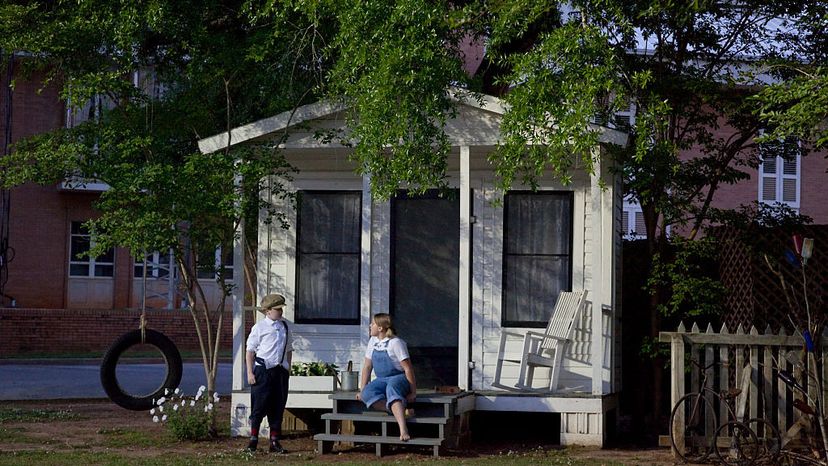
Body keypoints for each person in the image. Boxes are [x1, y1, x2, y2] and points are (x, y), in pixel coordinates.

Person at [355, 312, 417, 441]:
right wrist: (362, 389)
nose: (370, 326)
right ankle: (402, 411)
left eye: (372, 324)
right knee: (367, 393)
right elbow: (367, 367)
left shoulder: (396, 343)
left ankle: (403, 429)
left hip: (399, 377)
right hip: (382, 379)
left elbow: (408, 368)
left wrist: (413, 392)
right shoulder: (372, 341)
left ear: (380, 328)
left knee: (391, 388)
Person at [245, 293, 294, 453]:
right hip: (263, 370)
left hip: (279, 371)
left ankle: (274, 441)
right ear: (267, 311)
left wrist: (288, 367)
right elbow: (250, 351)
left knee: (278, 405)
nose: (280, 312)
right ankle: (253, 440)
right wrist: (250, 373)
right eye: (277, 309)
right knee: (259, 405)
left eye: (281, 309)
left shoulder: (284, 326)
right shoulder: (259, 327)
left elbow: (289, 348)